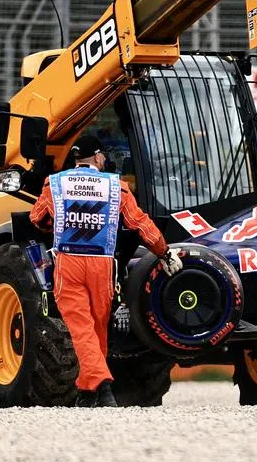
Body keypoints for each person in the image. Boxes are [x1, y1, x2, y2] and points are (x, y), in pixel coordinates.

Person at [30, 134, 183, 406]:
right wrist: (164, 252)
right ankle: (89, 392)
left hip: (70, 261)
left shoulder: (55, 183)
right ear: (99, 157)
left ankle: (101, 384)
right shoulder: (117, 186)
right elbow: (140, 224)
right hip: (103, 263)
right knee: (98, 327)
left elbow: (37, 217)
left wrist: (55, 226)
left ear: (76, 159)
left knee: (81, 327)